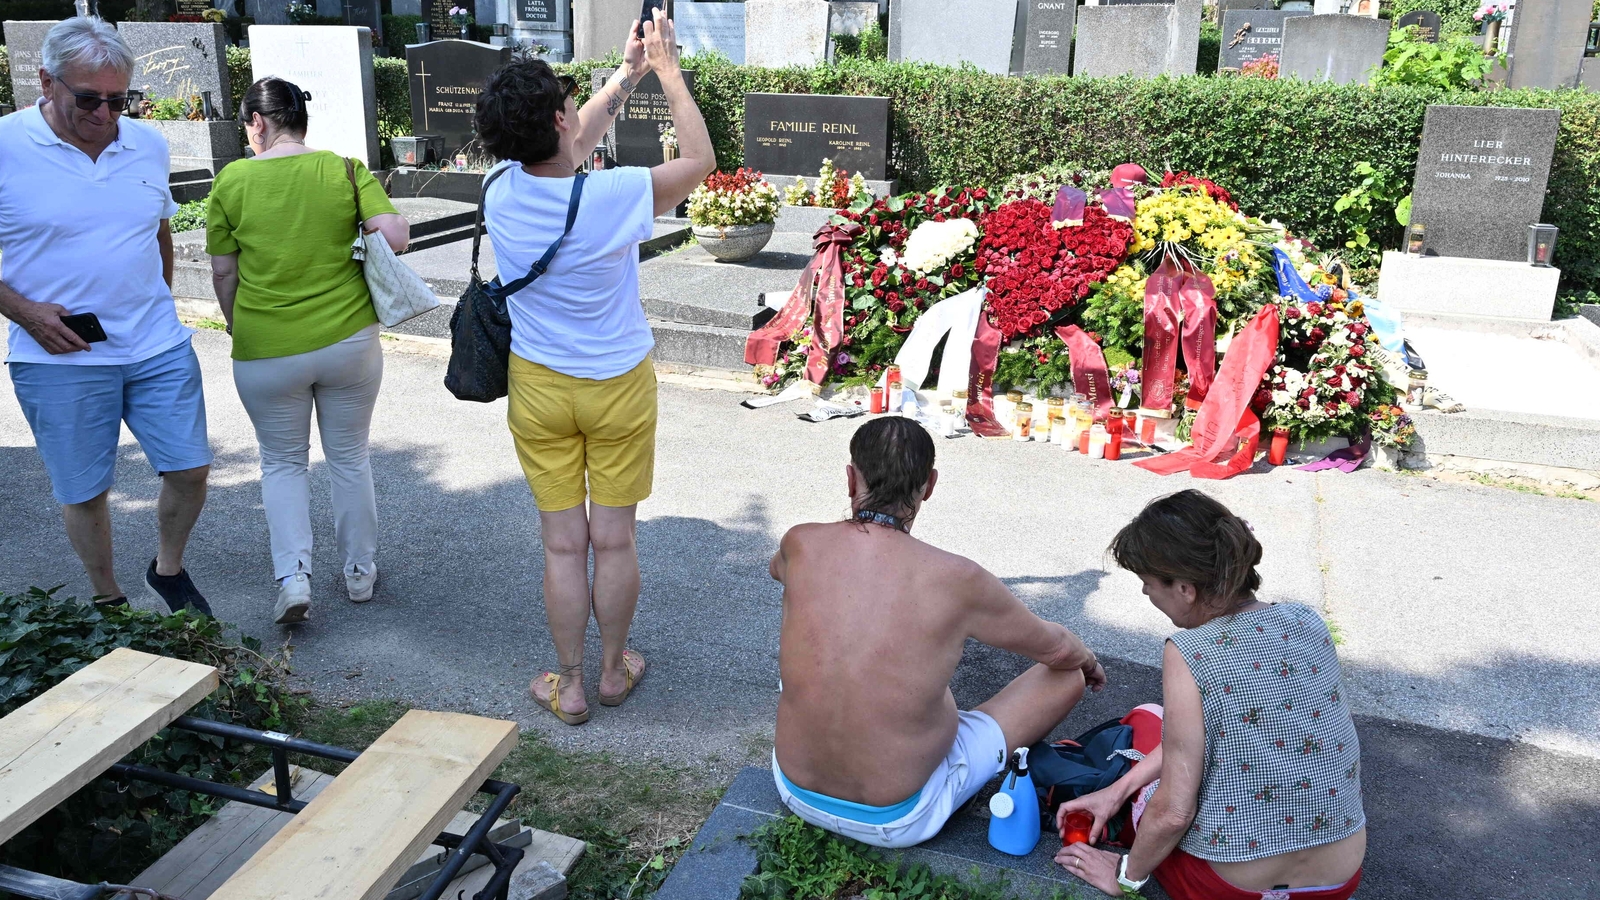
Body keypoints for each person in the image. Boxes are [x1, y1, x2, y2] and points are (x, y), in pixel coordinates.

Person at [473, 9, 714, 724]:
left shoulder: (498, 190)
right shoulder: (615, 197)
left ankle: (569, 684)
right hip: (617, 386)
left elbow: (564, 151)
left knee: (561, 543)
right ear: (555, 117)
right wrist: (668, 72)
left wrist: (626, 76)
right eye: (568, 102)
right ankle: (614, 671)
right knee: (613, 539)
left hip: (538, 387)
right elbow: (699, 163)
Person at [767, 417, 1107, 848]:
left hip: (795, 790)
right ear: (928, 485)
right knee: (1067, 676)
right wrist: (1089, 661)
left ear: (851, 479)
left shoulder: (801, 542)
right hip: (900, 817)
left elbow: (778, 570)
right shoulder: (958, 579)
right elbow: (1058, 651)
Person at [1055, 490, 1366, 900]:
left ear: (1185, 588)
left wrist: (1127, 876)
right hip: (1337, 881)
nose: (1147, 594)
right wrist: (1116, 792)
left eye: (1148, 584)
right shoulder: (1305, 619)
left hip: (1229, 887)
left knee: (1148, 720)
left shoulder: (1190, 651)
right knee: (1167, 731)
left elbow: (1174, 811)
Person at [0, 17, 212, 614]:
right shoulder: (5, 146)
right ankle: (108, 599)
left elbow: (161, 230)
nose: (105, 114)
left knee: (191, 469)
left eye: (119, 100)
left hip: (155, 345)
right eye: (88, 99)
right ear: (46, 81)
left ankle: (166, 572)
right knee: (86, 489)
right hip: (58, 355)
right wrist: (27, 314)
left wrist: (160, 303)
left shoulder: (145, 142)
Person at [206, 77, 410, 625]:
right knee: (349, 457)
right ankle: (360, 574)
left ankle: (294, 577)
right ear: (301, 120)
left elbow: (224, 270)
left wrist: (236, 323)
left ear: (257, 123)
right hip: (348, 341)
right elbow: (394, 236)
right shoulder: (344, 169)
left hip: (266, 346)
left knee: (282, 463)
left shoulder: (232, 181)